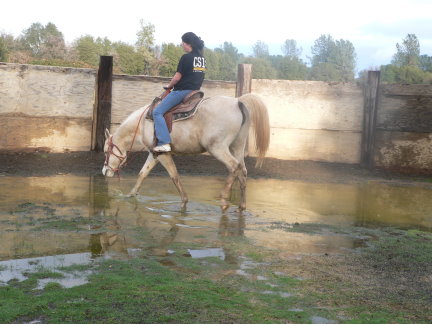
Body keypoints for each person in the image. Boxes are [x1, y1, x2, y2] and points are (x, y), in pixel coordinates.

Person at [152, 32, 206, 152]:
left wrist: (168, 86)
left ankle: (164, 142)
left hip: (182, 91)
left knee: (157, 112)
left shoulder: (186, 57)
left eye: (183, 42)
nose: (182, 45)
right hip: (196, 91)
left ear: (189, 44)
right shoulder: (202, 59)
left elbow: (177, 77)